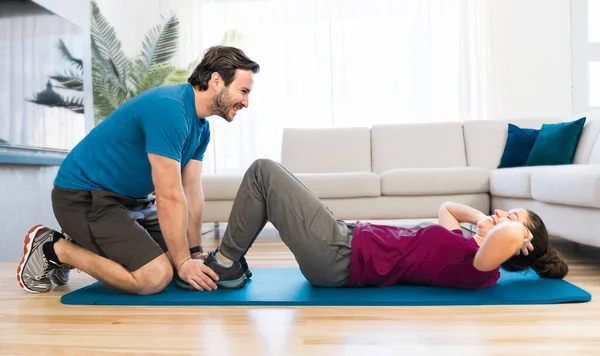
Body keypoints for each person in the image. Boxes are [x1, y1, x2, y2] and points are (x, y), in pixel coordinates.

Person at [16, 46, 260, 295]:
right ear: (217, 81)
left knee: (180, 265)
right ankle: (54, 248)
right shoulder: (170, 109)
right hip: (84, 198)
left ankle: (88, 241)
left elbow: (191, 191)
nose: (246, 102)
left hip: (135, 202)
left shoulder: (201, 129)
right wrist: (184, 261)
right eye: (243, 91)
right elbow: (169, 196)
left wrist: (192, 251)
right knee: (154, 277)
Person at [186, 158, 569, 290]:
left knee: (263, 172)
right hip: (344, 238)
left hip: (339, 256)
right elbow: (449, 209)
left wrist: (515, 230)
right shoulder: (465, 248)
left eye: (512, 219)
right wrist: (492, 220)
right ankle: (229, 262)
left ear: (520, 242)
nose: (501, 216)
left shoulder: (481, 269)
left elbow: (494, 249)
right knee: (275, 178)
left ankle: (226, 265)